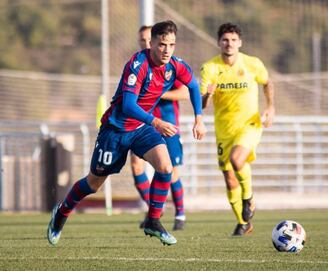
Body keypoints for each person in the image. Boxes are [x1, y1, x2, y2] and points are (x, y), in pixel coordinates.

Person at [47, 20, 206, 246]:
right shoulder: (137, 64)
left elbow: (193, 86)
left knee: (166, 167)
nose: (167, 50)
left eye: (171, 45)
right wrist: (157, 122)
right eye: (162, 44)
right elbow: (129, 105)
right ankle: (61, 213)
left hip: (141, 129)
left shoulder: (175, 66)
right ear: (151, 43)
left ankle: (153, 221)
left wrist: (199, 119)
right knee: (93, 184)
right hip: (116, 130)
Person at [200, 23, 275, 236]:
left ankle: (248, 198)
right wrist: (208, 95)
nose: (229, 44)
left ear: (240, 43)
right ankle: (244, 222)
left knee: (237, 160)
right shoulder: (210, 68)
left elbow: (267, 82)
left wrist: (270, 107)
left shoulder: (252, 64)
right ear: (218, 42)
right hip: (224, 130)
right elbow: (202, 104)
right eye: (225, 40)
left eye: (233, 40)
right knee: (229, 176)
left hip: (249, 124)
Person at [132, 25, 189, 231]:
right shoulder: (138, 64)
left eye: (148, 39)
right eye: (142, 40)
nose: (146, 44)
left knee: (171, 171)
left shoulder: (169, 66)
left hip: (167, 125)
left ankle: (180, 214)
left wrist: (157, 92)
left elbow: (185, 93)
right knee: (136, 167)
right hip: (142, 125)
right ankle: (155, 210)